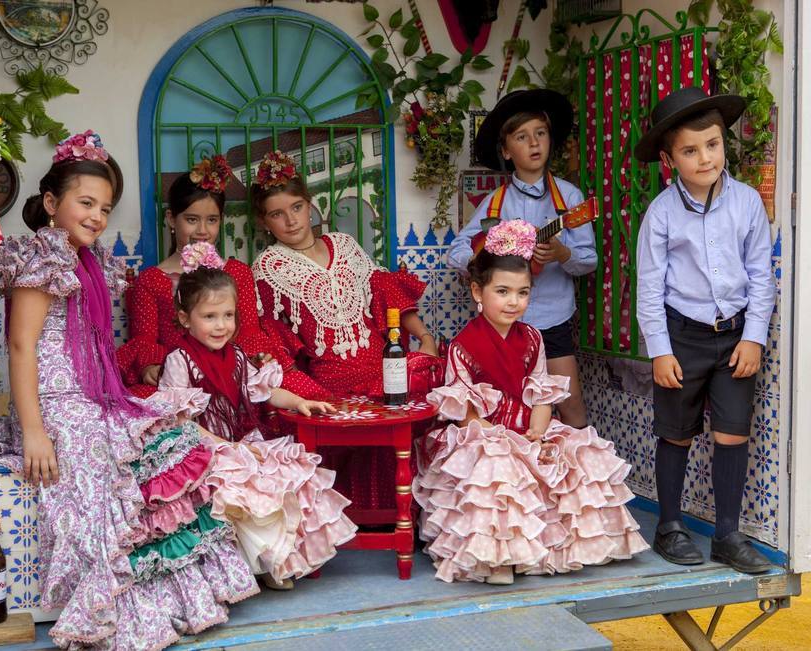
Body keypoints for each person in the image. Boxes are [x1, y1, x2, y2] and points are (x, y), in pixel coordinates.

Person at [0, 130, 258, 648]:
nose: (96, 216)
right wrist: (35, 432)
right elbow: (21, 349)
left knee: (172, 440)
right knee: (114, 464)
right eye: (85, 203)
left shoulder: (86, 262)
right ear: (50, 202)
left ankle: (178, 598)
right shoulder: (37, 263)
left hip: (91, 399)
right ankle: (111, 601)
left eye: (105, 207)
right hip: (55, 407)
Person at [414, 221, 647, 584]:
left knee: (576, 449)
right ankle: (498, 557)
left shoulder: (534, 338)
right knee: (497, 466)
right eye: (502, 291)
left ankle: (570, 546)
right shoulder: (463, 346)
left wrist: (537, 433)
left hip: (527, 426)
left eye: (522, 293)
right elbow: (466, 413)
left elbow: (541, 393)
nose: (513, 302)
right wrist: (506, 441)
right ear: (478, 291)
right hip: (483, 433)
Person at [157, 242, 356, 590]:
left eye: (228, 316)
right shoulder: (180, 360)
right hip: (201, 449)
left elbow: (261, 390)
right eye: (209, 317)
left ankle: (274, 561)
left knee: (283, 474)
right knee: (240, 485)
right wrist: (225, 447)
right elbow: (179, 422)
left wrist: (299, 402)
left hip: (238, 442)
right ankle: (249, 566)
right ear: (185, 319)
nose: (221, 326)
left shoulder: (235, 355)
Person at [634, 87, 775, 574]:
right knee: (676, 434)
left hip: (736, 338)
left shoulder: (748, 203)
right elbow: (649, 288)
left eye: (712, 144)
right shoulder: (661, 213)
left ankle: (728, 535)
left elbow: (761, 275)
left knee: (732, 434)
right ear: (670, 158)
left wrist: (754, 335)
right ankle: (669, 525)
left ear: (724, 144)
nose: (705, 157)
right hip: (681, 338)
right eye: (690, 150)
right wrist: (659, 350)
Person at [250, 150, 441, 510]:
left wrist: (426, 338)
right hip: (331, 378)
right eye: (277, 214)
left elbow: (385, 292)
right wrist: (307, 391)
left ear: (310, 206)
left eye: (296, 207)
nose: (290, 221)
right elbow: (275, 341)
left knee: (427, 378)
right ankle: (356, 516)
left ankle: (405, 515)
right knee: (344, 415)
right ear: (264, 222)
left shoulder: (344, 245)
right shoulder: (269, 267)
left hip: (382, 363)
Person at [117, 155, 328, 400]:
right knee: (147, 410)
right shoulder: (151, 280)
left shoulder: (237, 272)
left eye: (212, 220)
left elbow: (248, 332)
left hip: (235, 373)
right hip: (182, 377)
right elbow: (144, 339)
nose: (203, 230)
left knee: (301, 397)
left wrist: (258, 357)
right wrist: (149, 367)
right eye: (192, 219)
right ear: (171, 219)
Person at [446, 89, 596, 429]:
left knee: (569, 404)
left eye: (540, 134)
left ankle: (580, 478)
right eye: (522, 136)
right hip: (503, 325)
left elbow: (588, 260)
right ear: (506, 150)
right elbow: (456, 254)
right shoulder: (494, 203)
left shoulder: (570, 199)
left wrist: (563, 254)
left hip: (553, 318)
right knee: (507, 407)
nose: (534, 143)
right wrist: (491, 255)